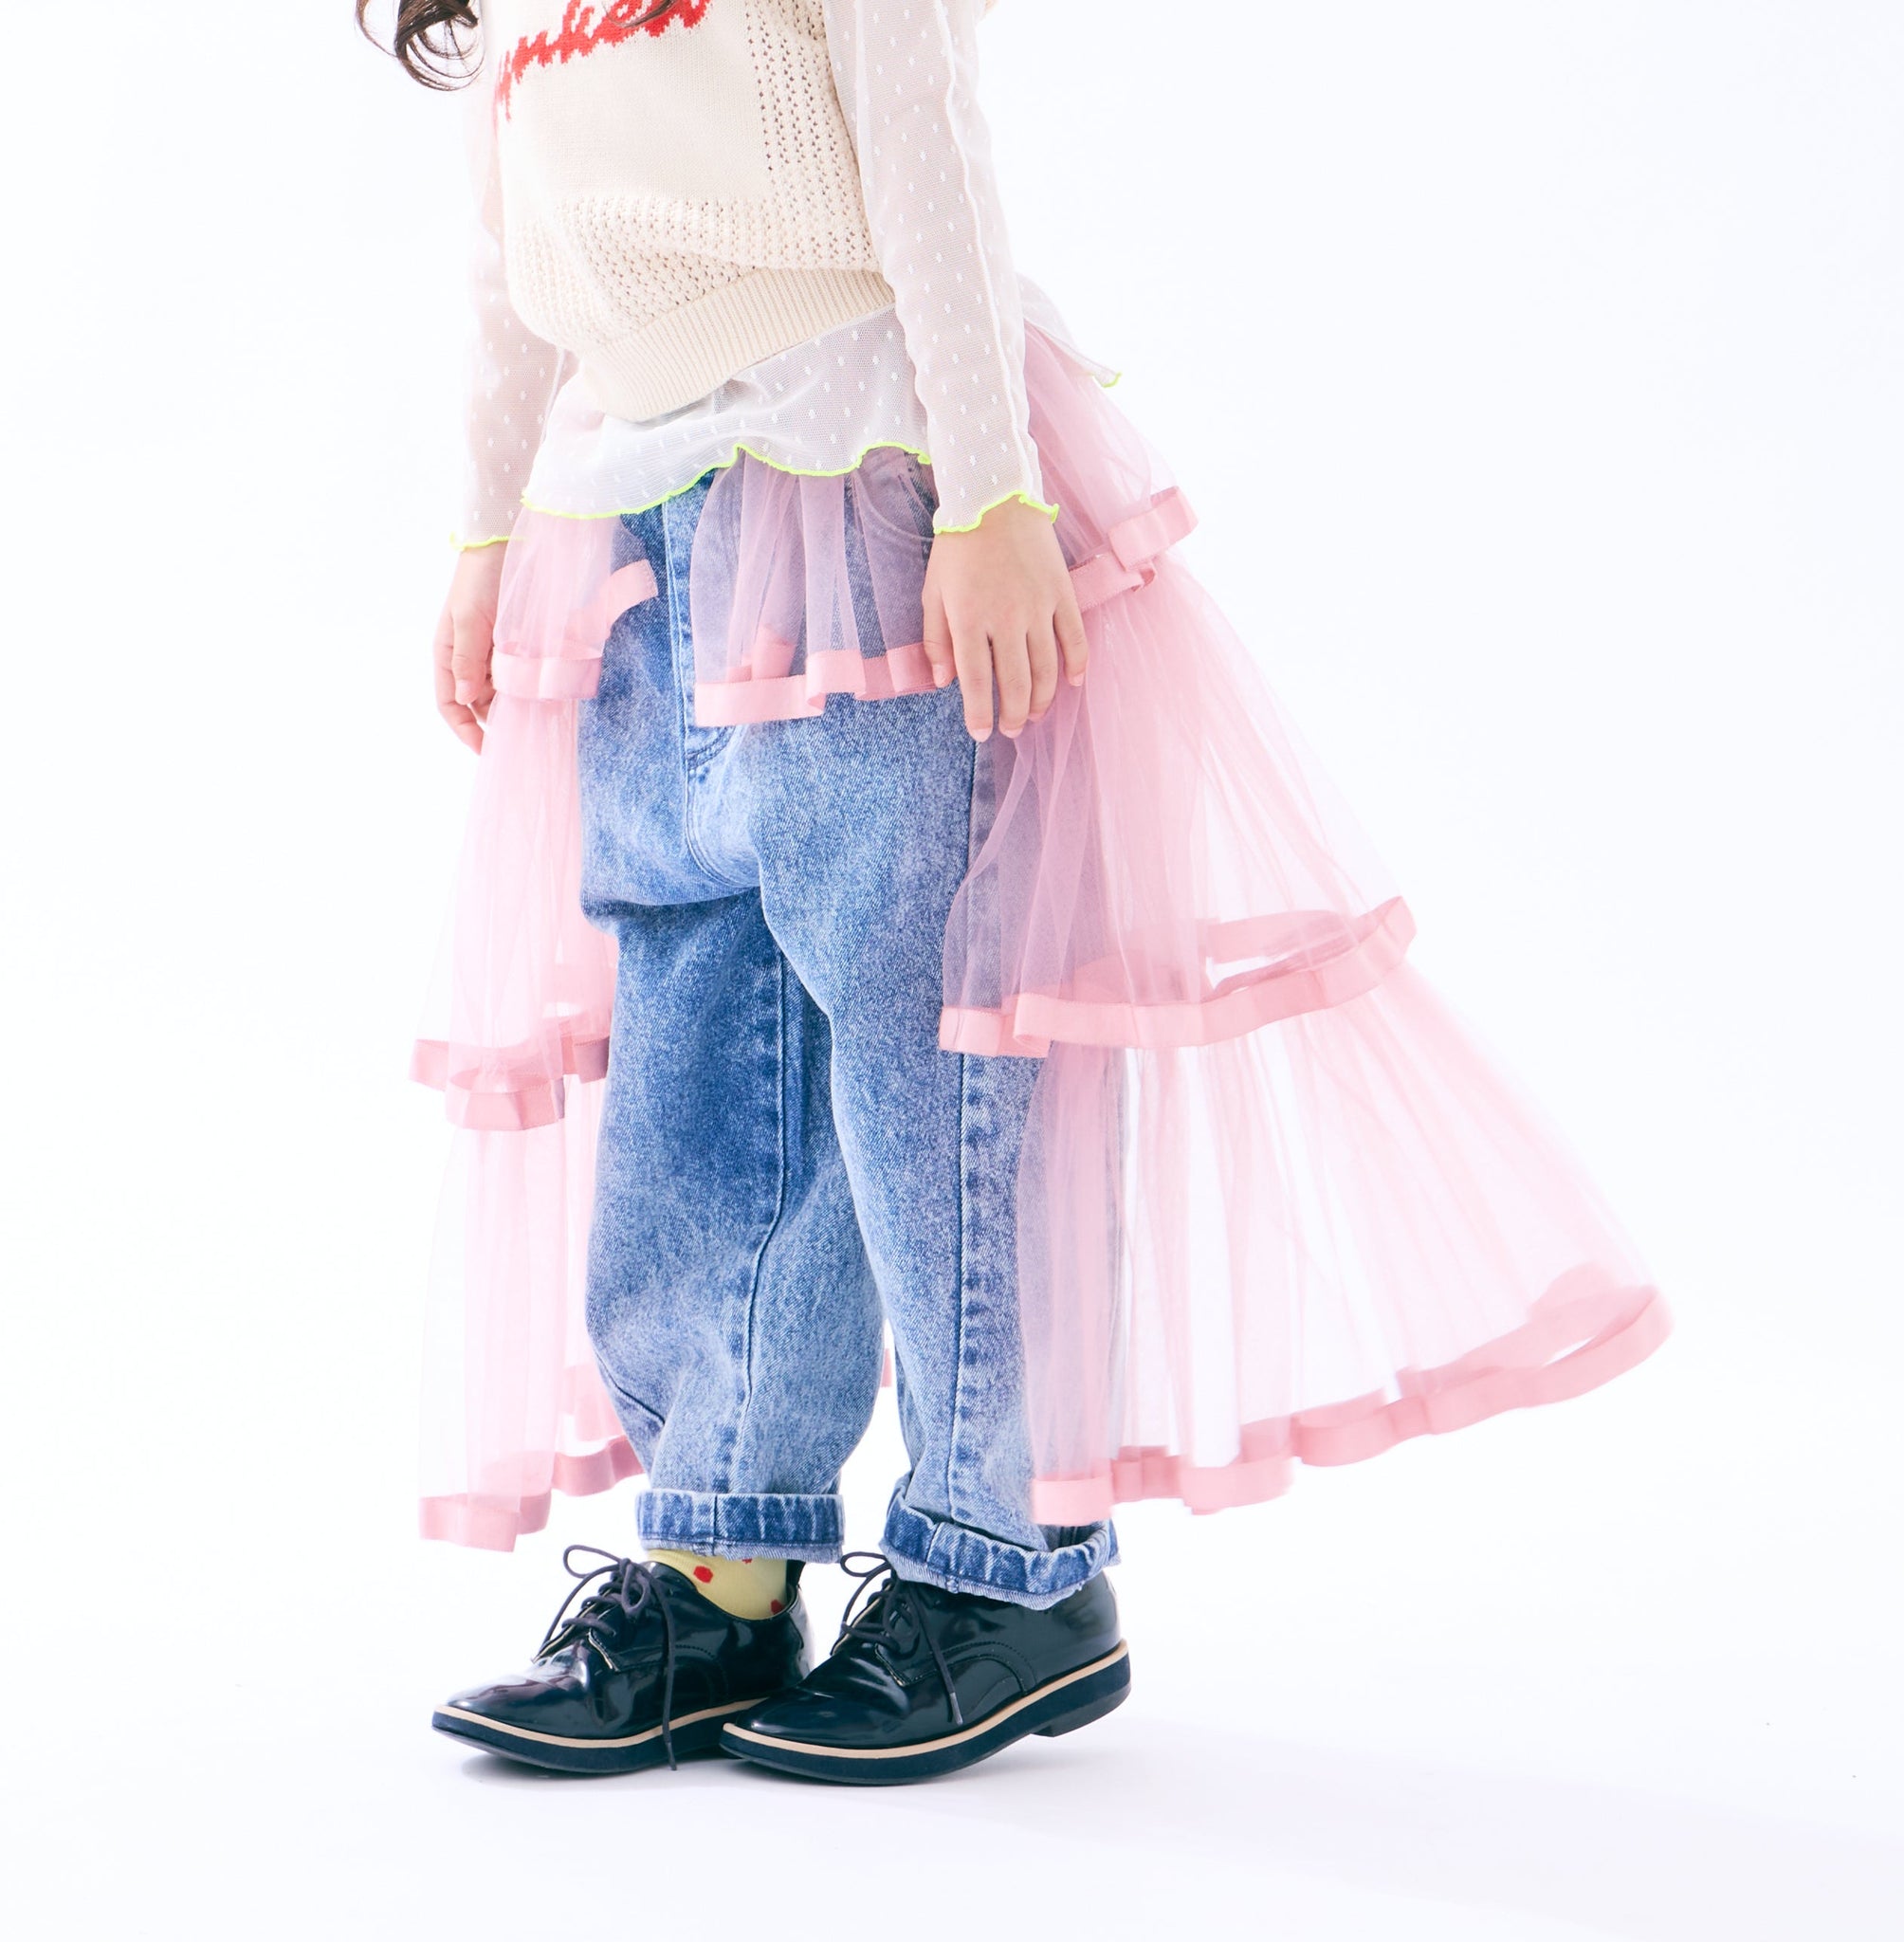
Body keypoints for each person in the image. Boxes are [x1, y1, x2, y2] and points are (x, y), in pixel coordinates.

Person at [378, 0, 1670, 1786]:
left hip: (851, 454)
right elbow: (511, 243)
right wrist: (486, 525)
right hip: (639, 506)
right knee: (708, 1036)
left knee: (929, 1029)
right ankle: (720, 1561)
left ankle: (1009, 1568)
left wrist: (988, 490)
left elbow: (925, 139)